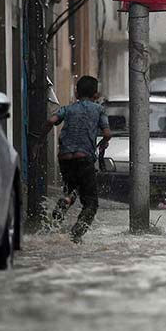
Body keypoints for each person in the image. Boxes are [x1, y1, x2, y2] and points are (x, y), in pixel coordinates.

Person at [33, 76, 111, 243]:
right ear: (95, 95)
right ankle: (75, 236)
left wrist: (39, 142)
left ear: (76, 93)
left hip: (65, 158)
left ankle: (63, 207)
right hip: (84, 158)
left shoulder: (68, 109)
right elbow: (107, 133)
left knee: (72, 191)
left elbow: (50, 120)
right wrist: (103, 144)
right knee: (91, 203)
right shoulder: (99, 109)